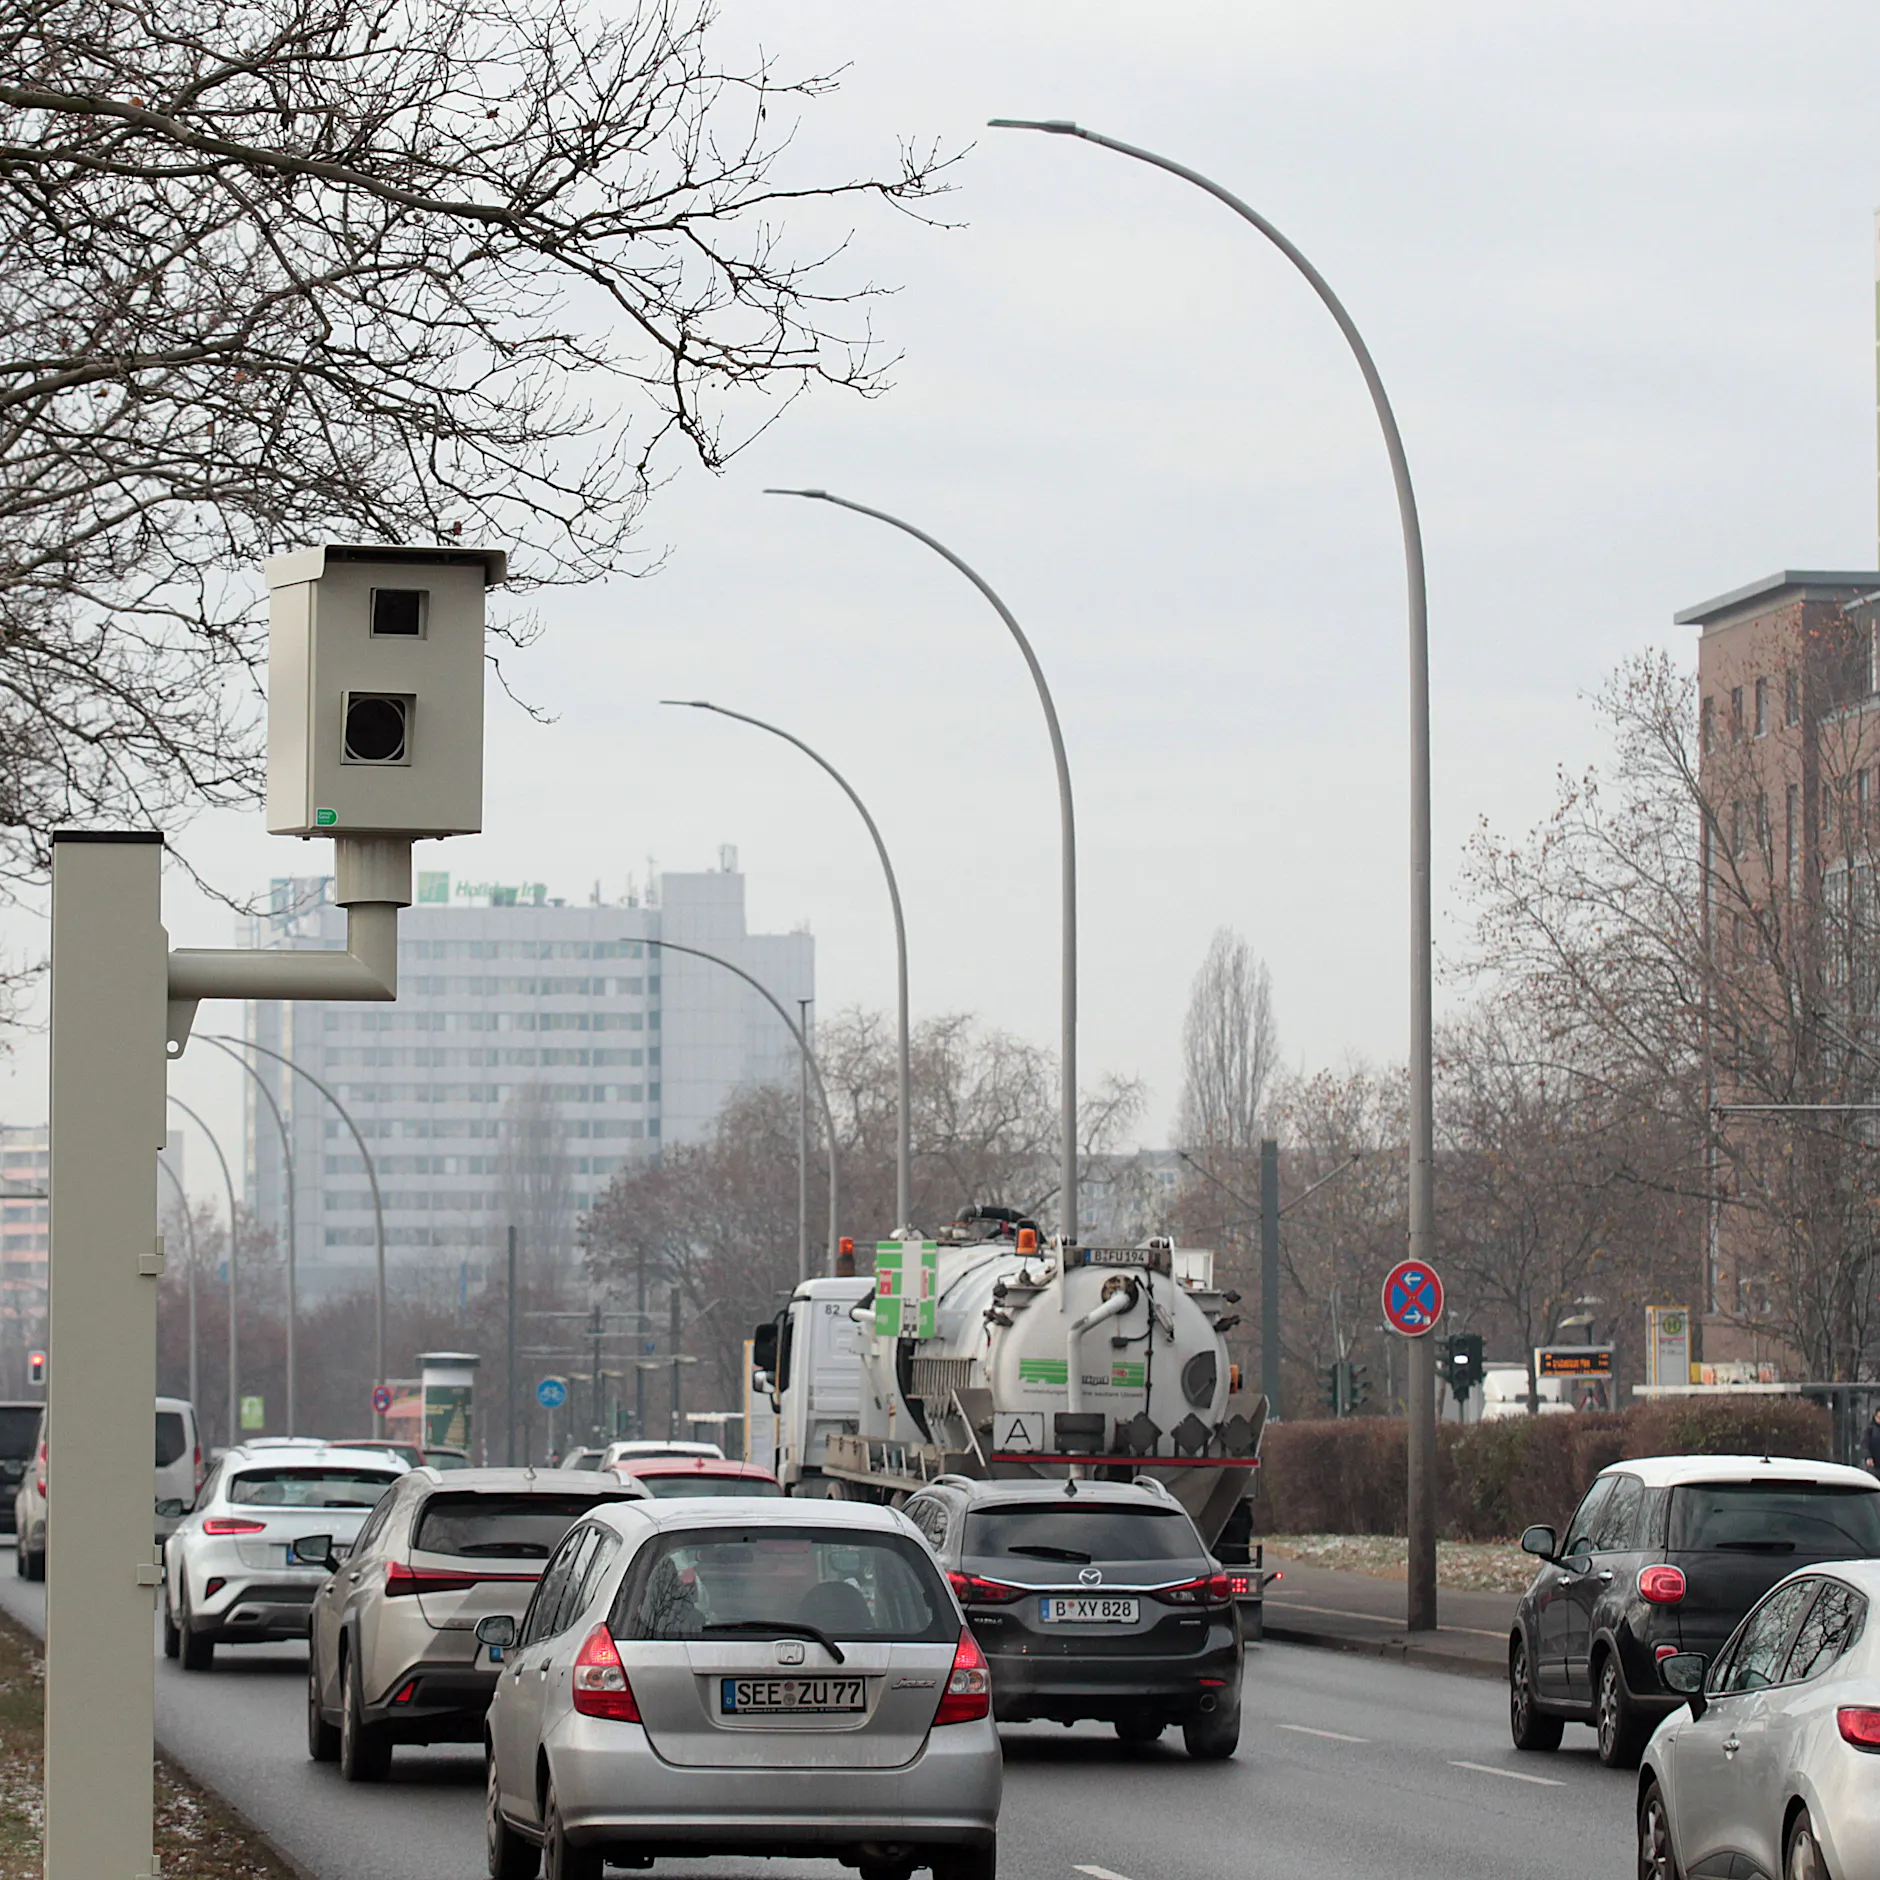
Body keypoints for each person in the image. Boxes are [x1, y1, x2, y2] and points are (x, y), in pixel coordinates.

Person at [1862, 1407, 1880, 1474]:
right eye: (1879, 1417)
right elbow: (1865, 1444)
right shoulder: (1870, 1429)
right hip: (1874, 1465)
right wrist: (1868, 1456)